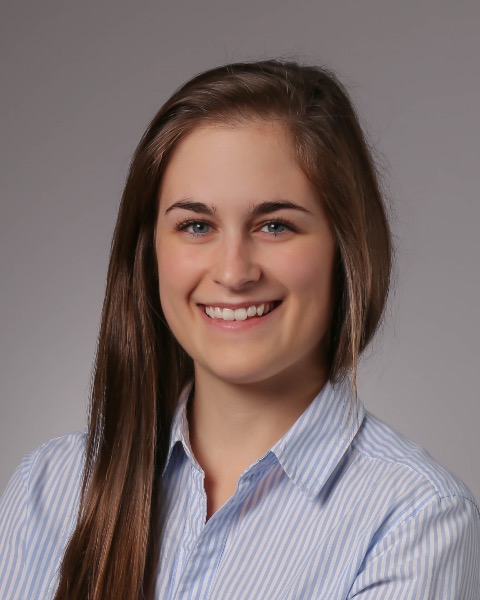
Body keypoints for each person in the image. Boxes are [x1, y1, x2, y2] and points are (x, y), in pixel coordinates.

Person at [0, 60, 478, 600]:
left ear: (346, 248)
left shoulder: (414, 520)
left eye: (275, 225)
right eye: (195, 225)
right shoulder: (50, 488)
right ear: (150, 253)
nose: (233, 273)